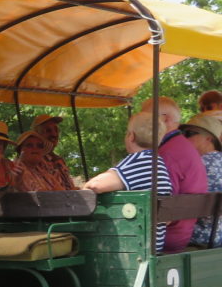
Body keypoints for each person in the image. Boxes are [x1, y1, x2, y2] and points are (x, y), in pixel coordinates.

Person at [83, 111, 173, 253]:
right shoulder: (159, 164)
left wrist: (84, 187)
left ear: (131, 137)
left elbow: (96, 185)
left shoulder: (138, 161)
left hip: (135, 247)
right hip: (154, 246)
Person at [138, 96, 207, 251]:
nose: (143, 125)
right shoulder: (183, 146)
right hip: (182, 233)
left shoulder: (167, 154)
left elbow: (162, 212)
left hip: (167, 239)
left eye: (147, 119)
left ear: (166, 119)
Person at [180, 112, 222, 248]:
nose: (183, 138)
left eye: (189, 134)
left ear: (209, 139)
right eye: (182, 133)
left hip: (199, 240)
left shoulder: (194, 165)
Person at [30, 113, 76, 189]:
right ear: (37, 135)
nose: (54, 134)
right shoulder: (33, 161)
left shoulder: (59, 160)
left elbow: (69, 187)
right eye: (48, 130)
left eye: (56, 130)